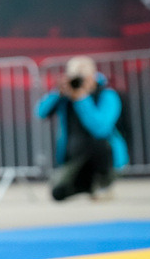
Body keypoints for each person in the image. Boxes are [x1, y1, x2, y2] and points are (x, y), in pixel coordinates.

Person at [36, 55, 128, 201]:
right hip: (75, 156)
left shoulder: (107, 95)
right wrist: (57, 93)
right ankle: (88, 186)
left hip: (103, 155)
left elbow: (101, 128)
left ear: (93, 75)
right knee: (58, 192)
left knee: (100, 145)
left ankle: (103, 184)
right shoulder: (65, 97)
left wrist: (81, 98)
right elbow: (41, 113)